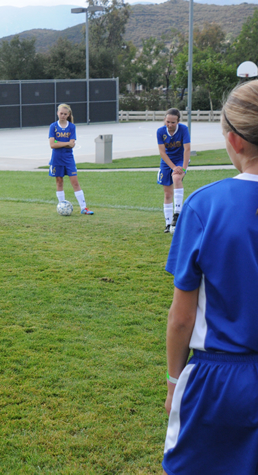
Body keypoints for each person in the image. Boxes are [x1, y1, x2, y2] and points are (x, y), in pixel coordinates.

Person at [162, 80, 258, 474]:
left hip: (219, 379)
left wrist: (173, 382)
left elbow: (181, 317)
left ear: (234, 141)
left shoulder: (206, 206)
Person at [48, 104, 94, 215]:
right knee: (59, 182)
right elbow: (52, 144)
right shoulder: (53, 126)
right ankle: (61, 206)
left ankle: (83, 208)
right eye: (61, 113)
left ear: (68, 115)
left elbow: (72, 144)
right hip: (56, 159)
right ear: (57, 113)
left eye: (65, 114)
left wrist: (58, 142)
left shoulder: (71, 127)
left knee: (75, 183)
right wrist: (66, 143)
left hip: (68, 159)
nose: (63, 115)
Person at [156, 108, 191, 233]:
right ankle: (168, 224)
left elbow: (187, 150)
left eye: (173, 122)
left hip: (180, 160)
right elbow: (162, 152)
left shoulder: (183, 129)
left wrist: (183, 169)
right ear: (165, 120)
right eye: (168, 122)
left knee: (176, 178)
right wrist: (173, 167)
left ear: (178, 121)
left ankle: (177, 214)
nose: (170, 125)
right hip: (167, 162)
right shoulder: (160, 132)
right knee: (167, 194)